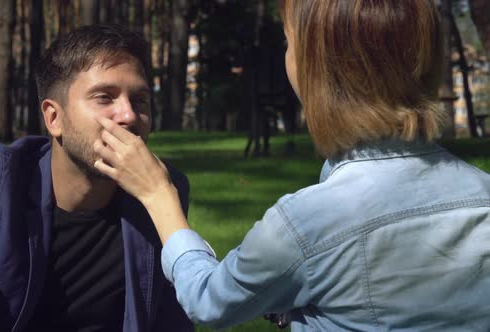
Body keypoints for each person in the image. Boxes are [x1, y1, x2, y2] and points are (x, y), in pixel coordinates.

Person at [91, 1, 490, 331]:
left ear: (322, 71)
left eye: (289, 43)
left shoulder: (307, 224)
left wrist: (159, 194)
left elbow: (209, 300)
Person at [0, 24, 193, 332]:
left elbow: (171, 309)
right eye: (104, 97)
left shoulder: (159, 189)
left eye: (140, 100)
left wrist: (161, 197)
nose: (129, 115)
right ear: (54, 118)